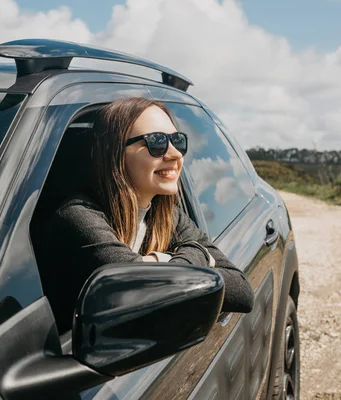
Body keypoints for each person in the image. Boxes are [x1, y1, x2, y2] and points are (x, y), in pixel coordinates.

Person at [40, 97, 255, 334]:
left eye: (177, 141)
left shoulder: (168, 217)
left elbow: (243, 292)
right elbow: (136, 284)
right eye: (157, 142)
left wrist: (176, 260)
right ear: (115, 153)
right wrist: (199, 258)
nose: (174, 154)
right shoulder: (77, 218)